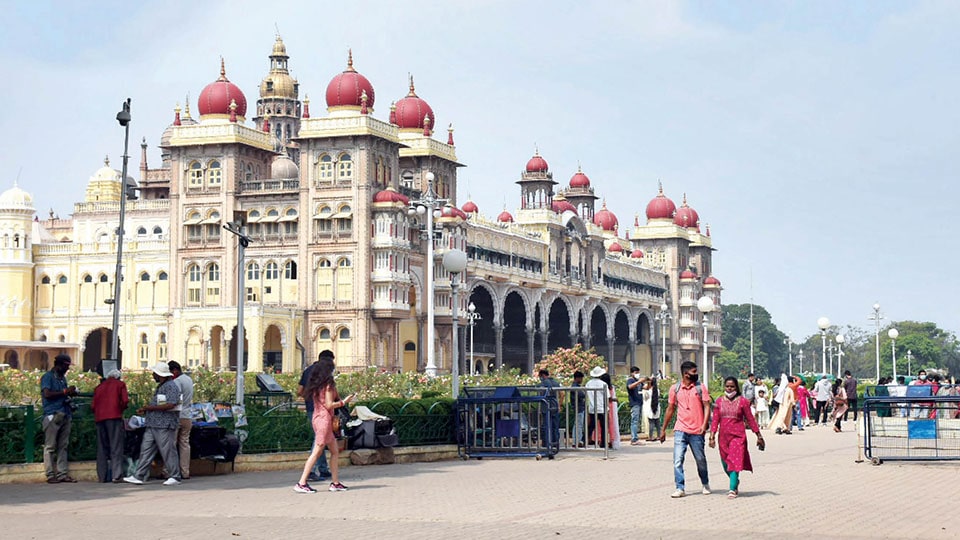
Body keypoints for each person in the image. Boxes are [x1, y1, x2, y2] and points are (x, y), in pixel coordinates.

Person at [295, 354, 355, 493]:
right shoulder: (328, 385)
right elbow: (329, 404)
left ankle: (335, 482)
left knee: (334, 451)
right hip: (324, 420)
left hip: (318, 417)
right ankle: (302, 482)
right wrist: (344, 402)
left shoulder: (316, 384)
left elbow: (301, 392)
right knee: (317, 451)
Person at [124, 362, 183, 486]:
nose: (153, 375)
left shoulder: (171, 386)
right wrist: (148, 409)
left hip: (164, 424)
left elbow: (171, 404)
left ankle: (175, 476)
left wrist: (150, 408)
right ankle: (139, 475)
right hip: (153, 423)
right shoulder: (162, 386)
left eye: (154, 373)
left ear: (160, 374)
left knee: (167, 450)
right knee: (146, 450)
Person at [660, 361, 712, 498]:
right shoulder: (675, 388)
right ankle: (680, 487)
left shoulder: (700, 387)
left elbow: (707, 406)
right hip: (680, 429)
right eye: (694, 372)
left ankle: (705, 483)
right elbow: (670, 409)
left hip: (697, 431)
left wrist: (704, 425)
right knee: (678, 460)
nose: (696, 374)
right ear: (685, 374)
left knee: (700, 460)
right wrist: (663, 429)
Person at [709, 377, 763, 499]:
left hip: (738, 437)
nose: (729, 389)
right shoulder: (719, 402)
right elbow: (715, 420)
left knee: (734, 461)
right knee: (725, 464)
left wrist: (758, 435)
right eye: (727, 386)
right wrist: (712, 436)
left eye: (732, 386)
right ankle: (735, 480)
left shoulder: (743, 402)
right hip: (723, 438)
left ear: (736, 388)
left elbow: (750, 419)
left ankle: (732, 488)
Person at [40, 354, 78, 484]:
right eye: (66, 366)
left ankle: (62, 474)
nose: (67, 369)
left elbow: (64, 395)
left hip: (65, 413)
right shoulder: (48, 377)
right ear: (59, 365)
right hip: (52, 414)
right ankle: (50, 474)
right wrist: (64, 392)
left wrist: (70, 393)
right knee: (50, 446)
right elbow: (47, 394)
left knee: (63, 446)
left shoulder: (63, 379)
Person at [298, 351, 333, 482]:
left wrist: (309, 397)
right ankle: (311, 471)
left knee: (320, 437)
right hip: (322, 410)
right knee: (319, 439)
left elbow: (299, 391)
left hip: (310, 408)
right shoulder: (326, 371)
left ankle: (323, 469)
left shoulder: (307, 371)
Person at [91, 368, 129, 483]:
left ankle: (102, 476)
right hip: (114, 416)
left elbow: (93, 406)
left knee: (101, 447)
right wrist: (120, 409)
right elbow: (125, 400)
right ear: (118, 377)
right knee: (116, 446)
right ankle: (116, 475)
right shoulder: (120, 384)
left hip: (100, 418)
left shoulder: (99, 387)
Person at [168, 361, 194, 480]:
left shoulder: (177, 382)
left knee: (171, 444)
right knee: (185, 444)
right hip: (187, 415)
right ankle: (185, 471)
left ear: (174, 371)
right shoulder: (189, 379)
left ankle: (168, 471)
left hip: (177, 415)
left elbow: (175, 399)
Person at [537, 369, 561, 451]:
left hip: (545, 407)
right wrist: (559, 404)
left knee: (546, 426)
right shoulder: (556, 383)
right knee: (555, 426)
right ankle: (555, 443)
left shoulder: (542, 384)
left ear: (542, 375)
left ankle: (546, 444)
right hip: (555, 406)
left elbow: (539, 394)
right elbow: (561, 394)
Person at [585, 366, 609, 448]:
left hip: (592, 408)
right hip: (602, 408)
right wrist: (607, 408)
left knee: (591, 426)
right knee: (604, 427)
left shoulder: (588, 383)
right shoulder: (603, 384)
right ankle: (603, 443)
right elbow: (607, 397)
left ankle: (585, 440)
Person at [599, 372, 620, 449]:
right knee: (611, 424)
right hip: (611, 406)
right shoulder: (611, 387)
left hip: (603, 405)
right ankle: (611, 440)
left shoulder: (602, 387)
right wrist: (615, 399)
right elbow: (609, 398)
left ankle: (601, 440)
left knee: (602, 425)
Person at [626, 366, 644, 445]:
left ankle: (635, 437)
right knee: (634, 421)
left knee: (637, 421)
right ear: (632, 373)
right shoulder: (630, 380)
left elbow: (646, 387)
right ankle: (634, 439)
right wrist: (639, 382)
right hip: (634, 403)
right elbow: (630, 386)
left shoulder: (638, 381)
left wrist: (650, 381)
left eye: (638, 373)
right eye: (636, 373)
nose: (638, 374)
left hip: (640, 402)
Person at [570, 371, 586, 447]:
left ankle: (576, 441)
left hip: (579, 407)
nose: (582, 380)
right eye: (581, 378)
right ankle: (577, 441)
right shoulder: (575, 387)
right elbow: (582, 394)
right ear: (577, 378)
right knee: (578, 425)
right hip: (578, 408)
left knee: (578, 425)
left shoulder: (576, 386)